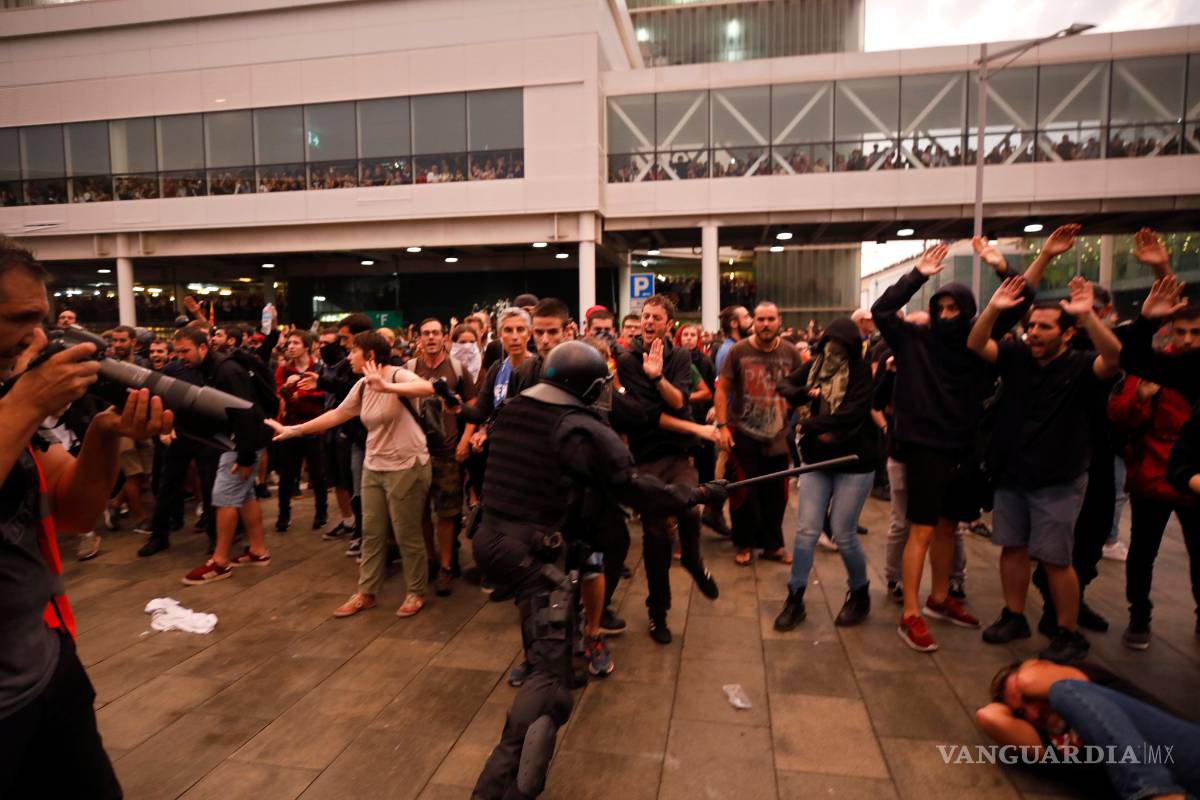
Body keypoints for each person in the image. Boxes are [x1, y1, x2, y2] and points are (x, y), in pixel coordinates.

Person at [470, 341, 727, 800]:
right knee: (549, 683)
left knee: (550, 658)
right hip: (530, 558)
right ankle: (497, 786)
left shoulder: (514, 408)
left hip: (492, 542)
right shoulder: (580, 427)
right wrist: (693, 495)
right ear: (590, 387)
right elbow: (630, 488)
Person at [0, 236, 171, 798]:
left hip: (43, 675)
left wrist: (104, 434)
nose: (38, 338)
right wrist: (27, 402)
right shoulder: (15, 403)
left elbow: (73, 511)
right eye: (19, 320)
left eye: (41, 319)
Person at [871, 231, 1064, 653]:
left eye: (952, 306)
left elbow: (1021, 302)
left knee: (947, 527)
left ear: (968, 310)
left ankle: (940, 598)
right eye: (939, 307)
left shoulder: (980, 341)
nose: (944, 313)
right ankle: (910, 612)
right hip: (922, 447)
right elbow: (882, 310)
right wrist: (917, 276)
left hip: (961, 448)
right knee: (920, 530)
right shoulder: (913, 340)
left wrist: (1001, 266)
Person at [969, 276, 1122, 662]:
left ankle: (1068, 632)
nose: (1033, 333)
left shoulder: (1082, 366)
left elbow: (1115, 358)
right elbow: (975, 343)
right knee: (1012, 548)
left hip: (1058, 477)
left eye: (1044, 327)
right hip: (1011, 472)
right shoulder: (1017, 357)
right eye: (1031, 326)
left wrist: (1089, 317)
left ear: (1067, 334)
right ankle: (1014, 615)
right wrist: (994, 308)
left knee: (1055, 558)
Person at [269, 331, 436, 618]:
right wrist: (294, 430)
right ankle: (366, 592)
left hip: (407, 466)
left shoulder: (397, 375)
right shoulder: (360, 385)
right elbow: (337, 415)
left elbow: (427, 389)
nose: (348, 356)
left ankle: (416, 591)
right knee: (370, 532)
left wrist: (387, 388)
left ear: (370, 355)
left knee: (407, 532)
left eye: (353, 351)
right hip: (375, 465)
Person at [613, 294, 718, 644]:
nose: (648, 322)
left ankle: (691, 558)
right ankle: (658, 613)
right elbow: (648, 416)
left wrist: (658, 379)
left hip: (677, 456)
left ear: (668, 324)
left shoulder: (680, 356)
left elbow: (678, 401)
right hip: (645, 458)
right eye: (645, 316)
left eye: (656, 317)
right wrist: (679, 413)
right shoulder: (627, 360)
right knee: (657, 535)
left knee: (689, 506)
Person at [774, 316, 880, 630]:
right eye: (829, 345)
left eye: (841, 347)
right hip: (817, 461)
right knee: (806, 530)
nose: (834, 352)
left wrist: (807, 424)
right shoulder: (817, 365)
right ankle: (795, 597)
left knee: (842, 532)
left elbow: (852, 415)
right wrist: (807, 393)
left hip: (854, 462)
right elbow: (785, 385)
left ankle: (860, 593)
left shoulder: (861, 372)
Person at [976, 659, 1200, 800]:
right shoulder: (1046, 744)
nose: (1033, 714)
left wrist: (1029, 681)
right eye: (1022, 713)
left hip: (1186, 754)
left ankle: (1158, 793)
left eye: (1030, 699)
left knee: (1064, 691)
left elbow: (1033, 679)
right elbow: (988, 716)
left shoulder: (1083, 684)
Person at [1112, 298, 1200, 648]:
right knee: (1142, 552)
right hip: (1153, 475)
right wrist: (1141, 399)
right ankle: (1139, 615)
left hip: (1192, 481)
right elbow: (1120, 414)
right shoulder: (1159, 368)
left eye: (1195, 333)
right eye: (1181, 332)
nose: (1188, 340)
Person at [178, 328, 272, 585]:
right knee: (245, 495)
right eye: (178, 352)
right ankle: (258, 549)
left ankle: (220, 562)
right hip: (243, 440)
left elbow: (244, 412)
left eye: (185, 351)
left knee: (224, 497)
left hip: (243, 442)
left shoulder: (226, 371)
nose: (181, 357)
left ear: (202, 348)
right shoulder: (214, 368)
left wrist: (244, 456)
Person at [714, 301, 802, 565]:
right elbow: (722, 389)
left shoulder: (790, 352)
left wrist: (794, 410)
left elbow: (800, 386)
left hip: (777, 435)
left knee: (776, 495)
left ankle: (772, 546)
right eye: (761, 319)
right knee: (744, 494)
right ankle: (743, 544)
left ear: (779, 321)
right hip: (743, 433)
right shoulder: (739, 351)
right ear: (753, 321)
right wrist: (721, 427)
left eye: (770, 319)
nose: (765, 324)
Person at [408, 317, 477, 596]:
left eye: (436, 333)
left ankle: (447, 565)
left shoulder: (458, 369)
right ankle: (431, 559)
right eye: (426, 334)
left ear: (444, 337)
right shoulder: (410, 369)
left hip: (448, 451)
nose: (431, 338)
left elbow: (473, 406)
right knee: (421, 511)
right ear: (420, 339)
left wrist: (465, 439)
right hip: (416, 451)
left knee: (448, 512)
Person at [274, 329, 328, 533]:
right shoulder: (284, 370)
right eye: (289, 343)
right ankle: (283, 515)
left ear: (307, 346)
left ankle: (321, 513)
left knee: (317, 473)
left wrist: (302, 394)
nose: (290, 346)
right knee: (287, 473)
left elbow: (324, 393)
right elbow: (279, 392)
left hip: (314, 425)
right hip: (290, 425)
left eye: (296, 343)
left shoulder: (319, 368)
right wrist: (288, 390)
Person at [715, 304, 752, 372]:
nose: (751, 320)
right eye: (746, 317)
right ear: (734, 323)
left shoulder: (737, 348)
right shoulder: (729, 352)